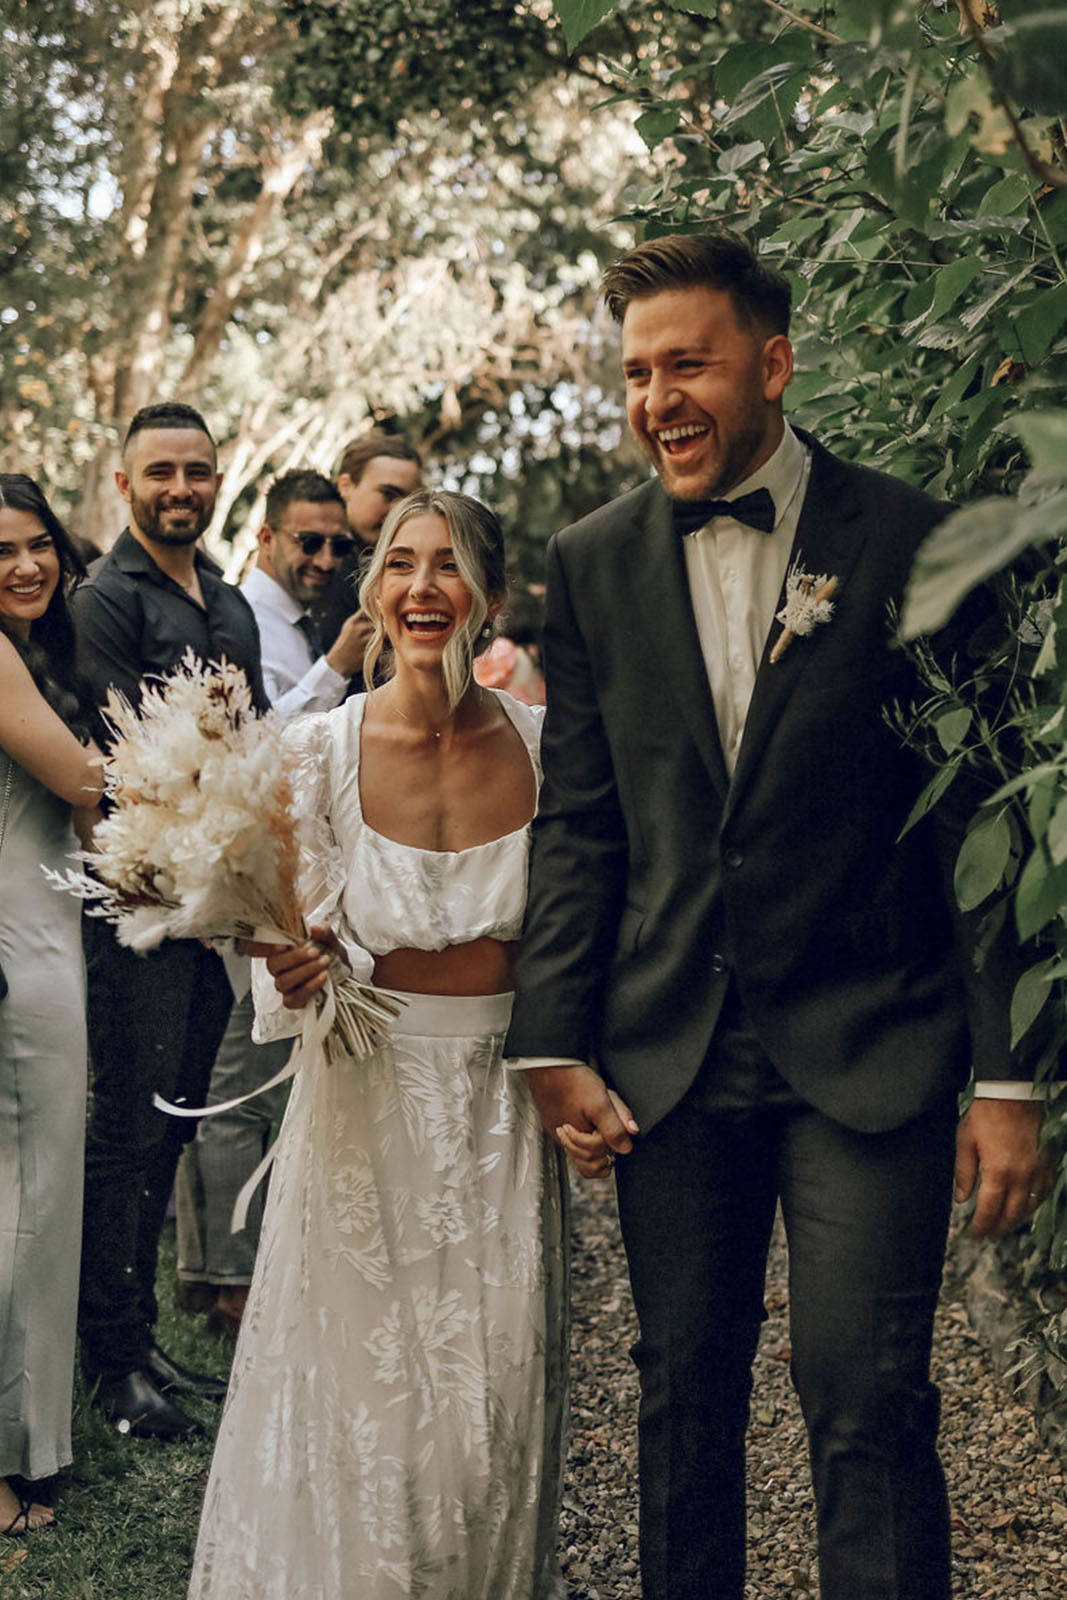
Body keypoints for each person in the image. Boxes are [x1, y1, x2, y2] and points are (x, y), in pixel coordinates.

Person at [504, 230, 1049, 1600]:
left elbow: (982, 816)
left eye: (685, 364)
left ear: (772, 363)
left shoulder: (914, 541)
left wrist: (1003, 1076)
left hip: (871, 1044)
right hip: (668, 1052)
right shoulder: (587, 563)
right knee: (680, 1391)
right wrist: (549, 1036)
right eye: (635, 373)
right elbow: (579, 823)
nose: (655, 400)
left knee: (864, 1394)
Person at [188, 490, 567, 1600]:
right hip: (361, 1108)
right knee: (361, 1411)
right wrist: (291, 966)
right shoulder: (317, 751)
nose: (420, 588)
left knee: (483, 1415)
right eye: (399, 565)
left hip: (498, 1109)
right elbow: (281, 947)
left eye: (448, 567)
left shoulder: (553, 753)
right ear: (372, 592)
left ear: (487, 596)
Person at [72, 401, 270, 1439]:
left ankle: (139, 1338)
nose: (180, 488)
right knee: (131, 1131)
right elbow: (119, 770)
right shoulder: (104, 600)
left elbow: (251, 742)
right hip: (143, 908)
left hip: (217, 910)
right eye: (161, 473)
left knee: (176, 1123)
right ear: (126, 483)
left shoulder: (230, 603)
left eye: (196, 470)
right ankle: (110, 1361)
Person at [175, 469, 370, 1335]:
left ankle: (238, 1266)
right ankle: (224, 1282)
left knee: (265, 1072)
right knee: (242, 1076)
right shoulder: (242, 619)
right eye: (309, 541)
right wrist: (335, 670)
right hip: (250, 878)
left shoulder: (299, 617)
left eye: (339, 545)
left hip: (297, 877)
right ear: (264, 538)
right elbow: (258, 753)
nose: (327, 557)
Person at [0, 475, 103, 1534]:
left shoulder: (26, 654)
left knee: (33, 1205)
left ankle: (29, 1448)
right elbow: (81, 778)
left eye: (38, 546)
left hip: (43, 945)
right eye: (1, 551)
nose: (25, 565)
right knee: (17, 1212)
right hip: (13, 960)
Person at [313, 430, 423, 662]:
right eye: (388, 494)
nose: (398, 510)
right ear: (346, 486)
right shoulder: (307, 561)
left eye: (410, 501)